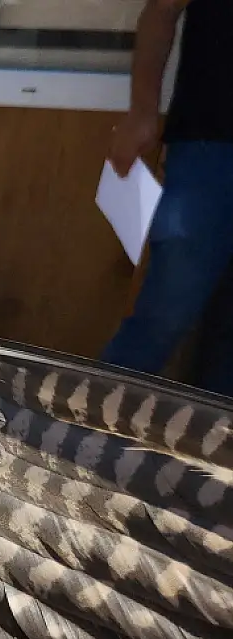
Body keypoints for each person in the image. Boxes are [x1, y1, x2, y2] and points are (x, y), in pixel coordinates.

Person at [101, 0, 233, 394]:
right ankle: (81, 431)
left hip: (206, 157)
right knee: (163, 314)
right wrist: (142, 113)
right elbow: (161, 12)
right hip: (208, 148)